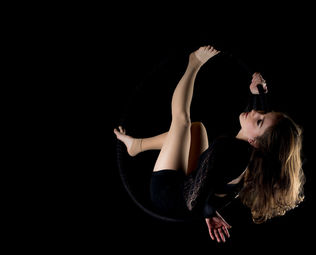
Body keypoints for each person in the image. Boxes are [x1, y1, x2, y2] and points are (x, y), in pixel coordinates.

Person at [114, 45, 305, 243]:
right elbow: (261, 124)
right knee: (197, 129)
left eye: (259, 120)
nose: (256, 112)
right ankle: (137, 146)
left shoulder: (228, 151)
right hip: (191, 180)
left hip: (168, 194)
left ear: (254, 141)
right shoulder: (253, 150)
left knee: (182, 121)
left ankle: (193, 63)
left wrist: (207, 211)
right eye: (263, 113)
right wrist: (258, 93)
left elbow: (194, 202)